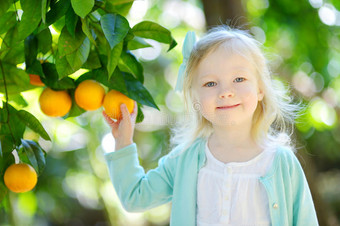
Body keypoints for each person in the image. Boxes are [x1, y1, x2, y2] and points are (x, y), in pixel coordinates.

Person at [102, 25, 319, 226]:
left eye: (239, 79)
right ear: (195, 98)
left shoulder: (280, 162)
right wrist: (123, 141)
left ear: (260, 89)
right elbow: (135, 197)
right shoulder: (185, 159)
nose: (225, 91)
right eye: (210, 83)